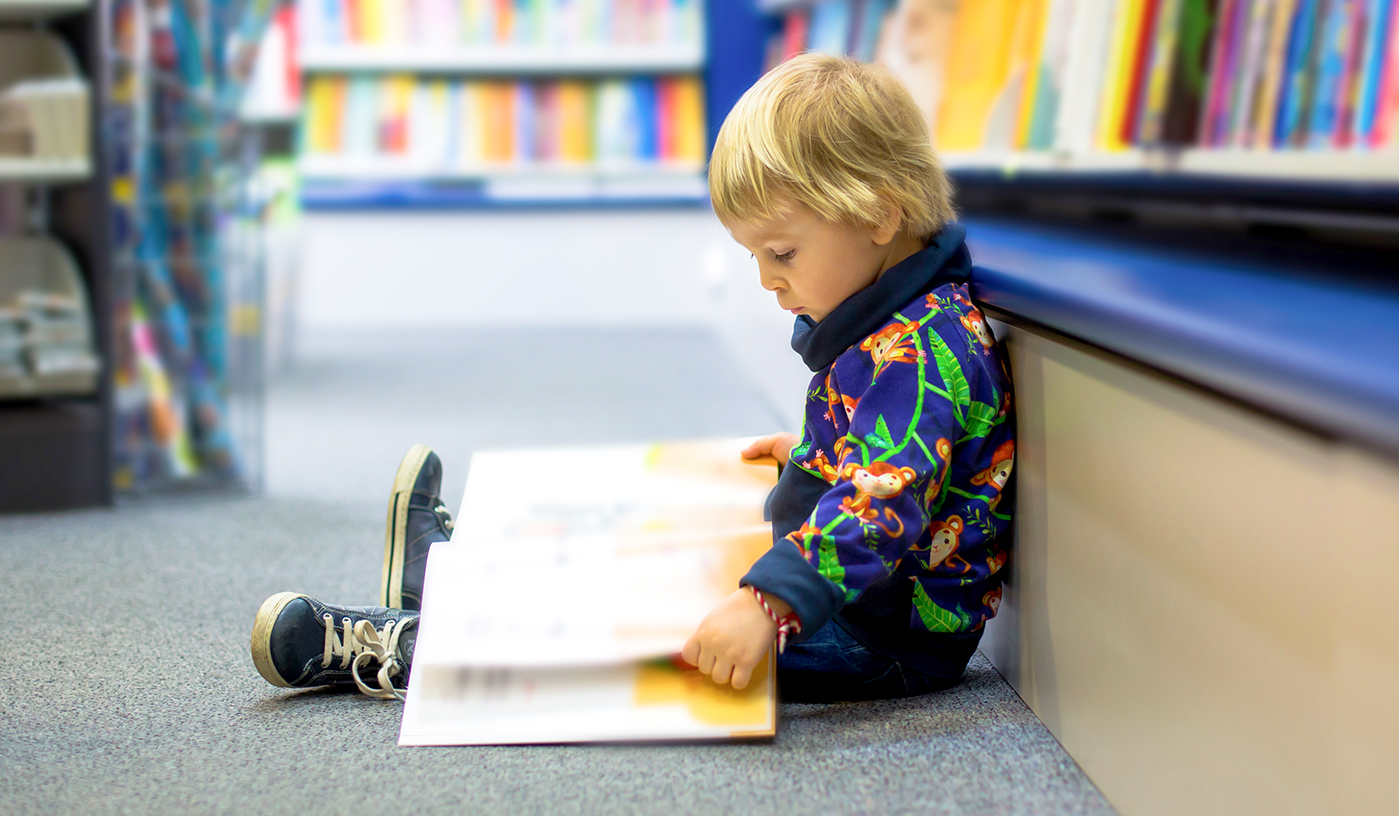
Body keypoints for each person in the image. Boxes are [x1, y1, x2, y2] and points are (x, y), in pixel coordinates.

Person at [249, 53, 1017, 705]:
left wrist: (765, 607)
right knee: (648, 543)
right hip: (858, 596)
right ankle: (461, 578)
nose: (766, 282)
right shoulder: (902, 322)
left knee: (638, 629)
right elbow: (896, 462)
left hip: (875, 635)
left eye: (781, 254)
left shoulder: (923, 352)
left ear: (880, 214)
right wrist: (824, 453)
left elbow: (880, 507)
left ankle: (403, 646)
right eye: (754, 257)